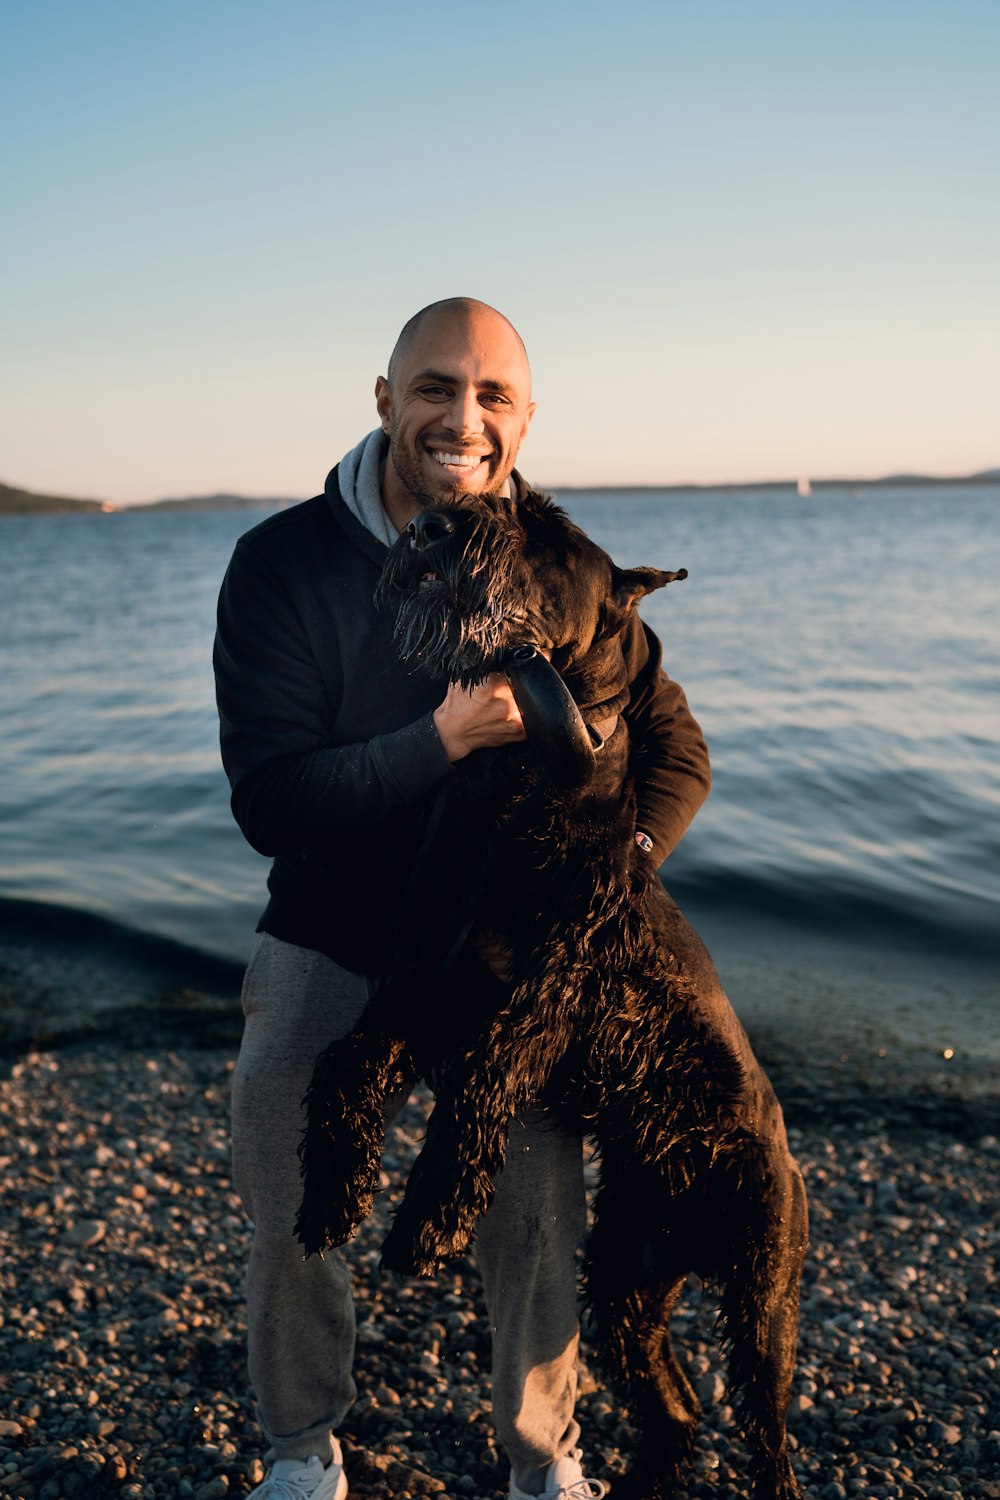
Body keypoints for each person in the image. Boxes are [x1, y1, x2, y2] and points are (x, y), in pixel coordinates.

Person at [214, 298, 712, 1500]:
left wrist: (612, 873)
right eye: (436, 388)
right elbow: (273, 803)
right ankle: (300, 1450)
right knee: (282, 1145)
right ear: (385, 400)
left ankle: (545, 1458)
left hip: (500, 946)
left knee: (536, 1188)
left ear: (525, 419)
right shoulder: (282, 564)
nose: (464, 418)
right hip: (332, 930)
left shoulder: (563, 562)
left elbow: (676, 751)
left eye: (494, 397)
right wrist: (439, 739)